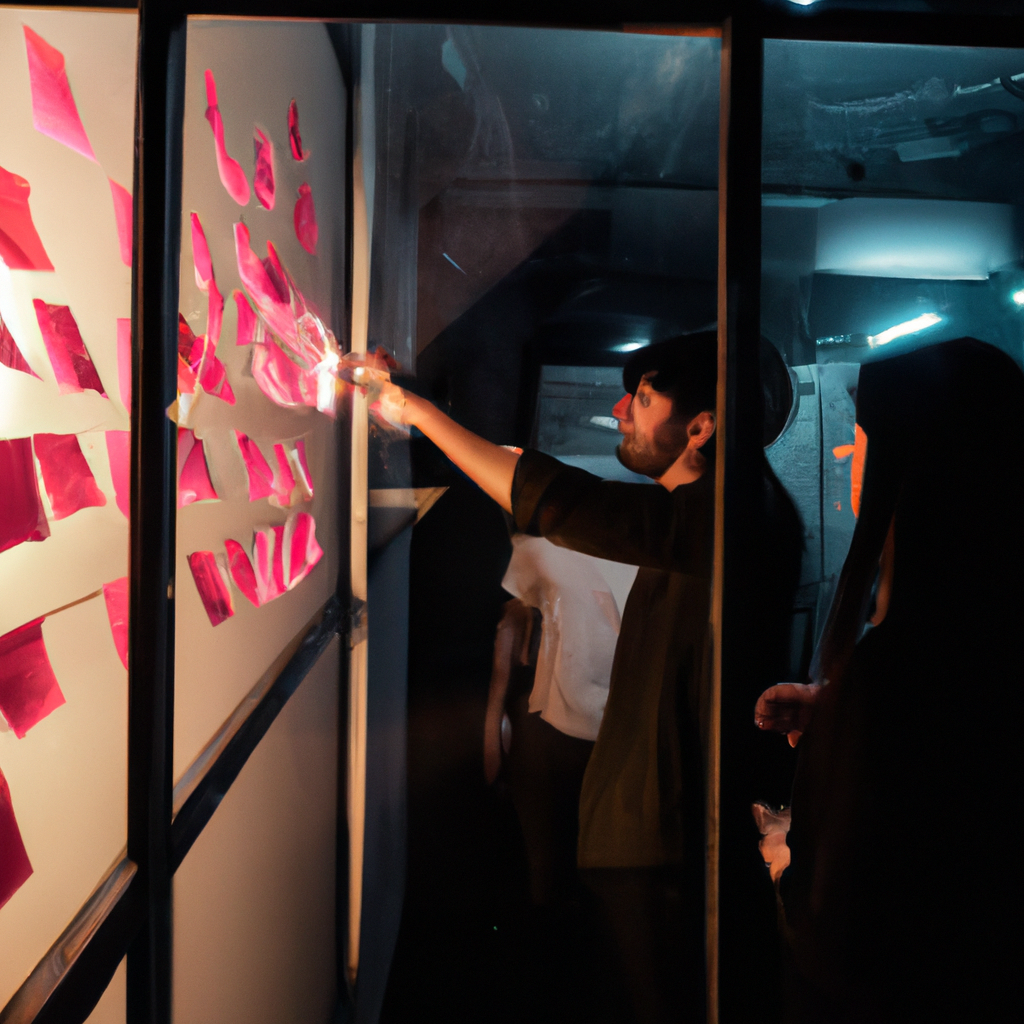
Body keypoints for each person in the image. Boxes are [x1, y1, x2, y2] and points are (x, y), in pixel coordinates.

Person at [377, 330, 801, 1022]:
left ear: (701, 427)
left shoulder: (729, 519)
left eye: (644, 396)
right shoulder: (717, 516)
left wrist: (418, 412)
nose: (622, 408)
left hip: (660, 843)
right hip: (648, 835)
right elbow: (538, 482)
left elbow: (564, 504)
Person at [754, 337, 1024, 1024]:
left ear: (925, 459)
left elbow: (842, 929)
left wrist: (787, 857)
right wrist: (832, 713)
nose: (847, 455)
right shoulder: (976, 641)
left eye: (864, 436)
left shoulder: (900, 665)